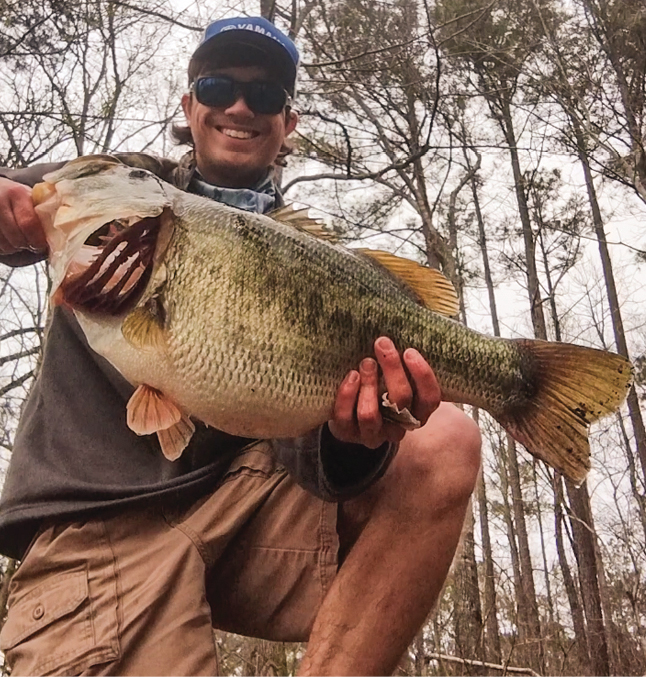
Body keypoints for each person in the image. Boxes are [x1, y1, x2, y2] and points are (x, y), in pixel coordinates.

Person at [0, 16, 481, 676]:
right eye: (218, 86)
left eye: (263, 95)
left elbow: (306, 450)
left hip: (250, 517)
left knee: (444, 440)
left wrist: (355, 436)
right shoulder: (128, 186)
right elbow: (26, 197)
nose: (239, 107)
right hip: (101, 521)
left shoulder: (312, 260)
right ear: (189, 105)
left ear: (289, 122)